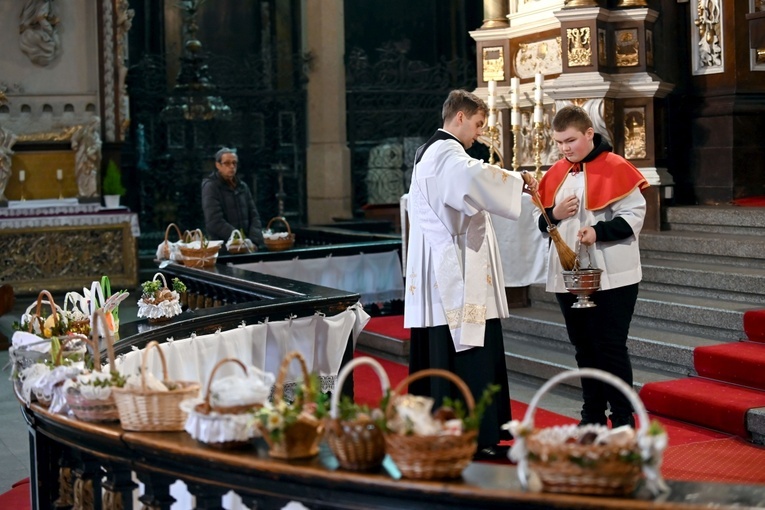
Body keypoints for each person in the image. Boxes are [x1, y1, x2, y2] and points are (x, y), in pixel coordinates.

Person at [404, 89, 538, 460]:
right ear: (459, 117)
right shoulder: (447, 154)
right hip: (456, 271)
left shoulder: (429, 152)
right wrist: (517, 180)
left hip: (441, 267)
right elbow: (471, 178)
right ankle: (476, 430)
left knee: (442, 345)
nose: (478, 134)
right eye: (477, 124)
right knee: (469, 342)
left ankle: (443, 427)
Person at [536, 105, 649, 428]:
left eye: (570, 140)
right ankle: (592, 416)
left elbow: (633, 218)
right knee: (584, 348)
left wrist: (598, 232)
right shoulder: (556, 172)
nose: (564, 148)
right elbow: (542, 224)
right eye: (558, 142)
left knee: (610, 347)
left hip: (613, 274)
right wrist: (554, 214)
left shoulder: (616, 167)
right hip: (568, 275)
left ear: (589, 133)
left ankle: (624, 418)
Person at [202, 147, 264, 248]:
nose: (231, 167)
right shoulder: (211, 186)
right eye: (227, 163)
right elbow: (214, 221)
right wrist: (239, 240)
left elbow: (254, 216)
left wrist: (253, 241)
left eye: (234, 163)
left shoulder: (243, 186)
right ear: (218, 165)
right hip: (224, 249)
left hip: (247, 248)